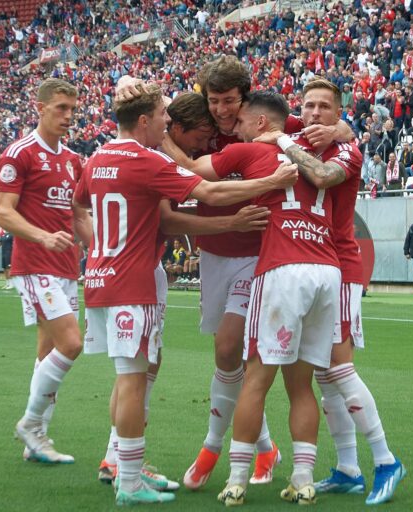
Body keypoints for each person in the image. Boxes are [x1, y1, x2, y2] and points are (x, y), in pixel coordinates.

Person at [75, 83, 297, 506]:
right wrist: (270, 182)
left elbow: (77, 205)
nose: (167, 121)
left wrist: (98, 247)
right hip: (134, 280)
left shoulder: (97, 157)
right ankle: (128, 480)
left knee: (133, 373)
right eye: (162, 114)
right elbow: (208, 192)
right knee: (134, 379)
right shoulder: (148, 159)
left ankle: (124, 464)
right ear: (145, 120)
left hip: (100, 278)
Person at [154, 57, 350, 492]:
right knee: (229, 359)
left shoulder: (272, 125)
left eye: (230, 102)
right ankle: (266, 448)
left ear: (246, 101)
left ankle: (213, 450)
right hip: (215, 253)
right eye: (215, 101)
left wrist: (340, 128)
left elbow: (329, 125)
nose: (222, 111)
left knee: (235, 349)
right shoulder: (198, 120)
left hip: (261, 254)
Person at [258, 79, 405, 506]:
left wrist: (339, 133)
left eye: (326, 106)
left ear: (339, 113)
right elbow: (260, 116)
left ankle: (386, 459)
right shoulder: (299, 132)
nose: (316, 112)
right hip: (316, 268)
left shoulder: (347, 150)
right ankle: (348, 468)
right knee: (324, 375)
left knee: (339, 368)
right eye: (309, 106)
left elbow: (321, 175)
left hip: (340, 267)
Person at [209, 85, 355, 506]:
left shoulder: (251, 149)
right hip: (326, 269)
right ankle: (303, 479)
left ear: (259, 122)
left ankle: (237, 478)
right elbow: (329, 147)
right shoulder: (321, 151)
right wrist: (340, 128)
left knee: (256, 378)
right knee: (302, 384)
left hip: (282, 268)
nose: (234, 128)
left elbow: (193, 171)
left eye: (240, 120)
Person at [0, 78, 93, 465]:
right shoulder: (19, 153)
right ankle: (31, 423)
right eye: (61, 108)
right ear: (40, 108)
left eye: (73, 109)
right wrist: (43, 237)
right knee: (72, 344)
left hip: (66, 267)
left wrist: (103, 252)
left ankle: (36, 440)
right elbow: (3, 212)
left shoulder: (72, 160)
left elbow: (79, 216)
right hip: (35, 265)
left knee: (49, 350)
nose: (68, 116)